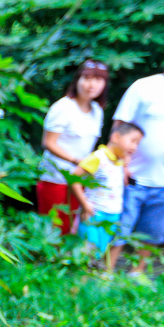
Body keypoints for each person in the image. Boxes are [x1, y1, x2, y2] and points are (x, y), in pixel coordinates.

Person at [110, 45, 164, 275]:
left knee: (153, 232)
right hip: (134, 176)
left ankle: (136, 272)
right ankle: (106, 272)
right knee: (120, 227)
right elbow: (119, 126)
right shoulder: (144, 87)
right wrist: (120, 165)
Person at [37, 60, 109, 235]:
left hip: (79, 180)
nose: (91, 85)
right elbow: (48, 142)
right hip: (55, 178)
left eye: (98, 80)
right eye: (87, 78)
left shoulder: (97, 110)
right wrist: (76, 161)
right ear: (77, 80)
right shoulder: (63, 107)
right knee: (53, 229)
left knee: (72, 228)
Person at [69, 123, 143, 270]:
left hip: (113, 215)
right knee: (87, 252)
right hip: (93, 213)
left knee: (99, 252)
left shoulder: (120, 161)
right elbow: (74, 180)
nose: (135, 147)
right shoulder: (97, 157)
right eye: (132, 141)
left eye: (138, 144)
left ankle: (86, 286)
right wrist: (84, 204)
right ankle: (76, 286)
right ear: (116, 137)